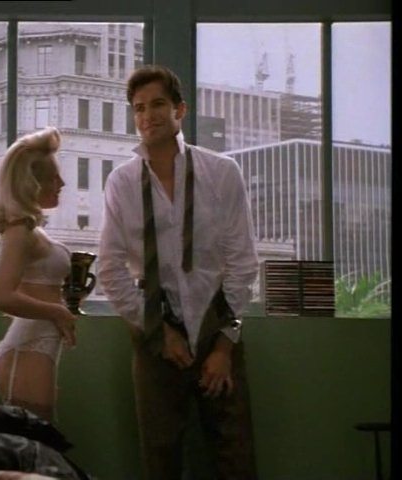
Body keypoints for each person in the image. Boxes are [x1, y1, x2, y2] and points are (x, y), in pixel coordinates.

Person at [98, 65, 260, 479]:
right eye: (138, 108)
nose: (147, 116)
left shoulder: (221, 172)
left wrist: (224, 346)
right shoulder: (121, 182)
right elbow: (110, 269)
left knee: (234, 455)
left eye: (157, 104)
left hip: (215, 323)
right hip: (154, 325)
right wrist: (157, 330)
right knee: (160, 457)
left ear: (179, 110)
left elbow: (242, 263)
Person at [0, 126, 77, 423]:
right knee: (36, 445)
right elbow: (1, 297)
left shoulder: (29, 230)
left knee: (37, 443)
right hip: (28, 349)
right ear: (31, 183)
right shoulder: (20, 231)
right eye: (53, 178)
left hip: (35, 347)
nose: (62, 183)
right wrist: (57, 312)